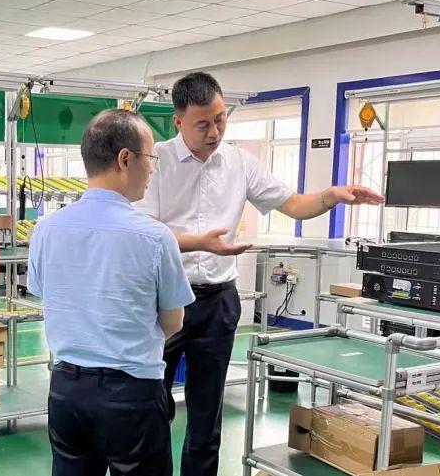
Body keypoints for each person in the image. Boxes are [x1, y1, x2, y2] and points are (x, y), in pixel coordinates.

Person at [135, 71, 384, 476]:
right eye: (202, 124)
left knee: (206, 416)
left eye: (220, 120)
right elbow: (145, 233)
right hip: (162, 299)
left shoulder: (239, 162)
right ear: (178, 122)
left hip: (216, 302)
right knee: (150, 405)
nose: (214, 132)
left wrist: (331, 196)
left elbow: (294, 204)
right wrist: (201, 243)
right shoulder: (156, 162)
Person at [28, 109, 195, 476]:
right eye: (150, 158)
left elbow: (44, 293)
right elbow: (173, 322)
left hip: (67, 392)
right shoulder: (155, 237)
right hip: (132, 395)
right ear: (125, 159)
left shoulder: (46, 229)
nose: (152, 169)